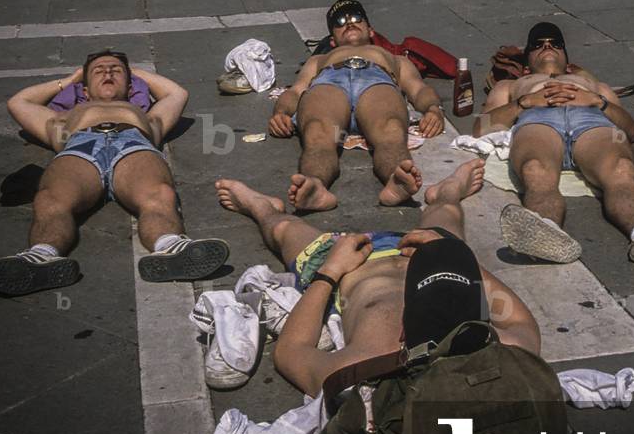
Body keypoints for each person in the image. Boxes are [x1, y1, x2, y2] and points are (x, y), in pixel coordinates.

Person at [214, 158, 540, 396]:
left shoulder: (367, 366)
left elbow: (290, 353)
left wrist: (329, 273)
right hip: (430, 253)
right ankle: (447, 190)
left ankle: (261, 207)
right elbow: (523, 328)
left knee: (284, 229)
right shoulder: (489, 350)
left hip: (347, 265)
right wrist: (457, 258)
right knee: (447, 213)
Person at [0, 51, 230, 296]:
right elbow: (18, 103)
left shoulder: (148, 117)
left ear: (131, 86)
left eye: (116, 70)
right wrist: (71, 80)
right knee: (50, 200)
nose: (108, 72)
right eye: (98, 71)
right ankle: (41, 256)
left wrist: (133, 72)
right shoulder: (62, 120)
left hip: (133, 142)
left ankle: (171, 246)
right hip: (80, 145)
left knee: (160, 195)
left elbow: (178, 93)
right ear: (85, 90)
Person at [478, 23, 634, 265]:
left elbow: (630, 130)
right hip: (537, 120)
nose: (547, 47)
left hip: (592, 120)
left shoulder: (596, 87)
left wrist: (598, 102)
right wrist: (524, 102)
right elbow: (482, 127)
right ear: (527, 61)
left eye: (555, 44)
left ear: (567, 60)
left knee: (622, 168)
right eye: (538, 45)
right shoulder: (510, 86)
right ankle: (545, 233)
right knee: (535, 169)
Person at [268, 0, 445, 211]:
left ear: (370, 30)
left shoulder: (395, 59)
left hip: (376, 78)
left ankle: (396, 180)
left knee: (391, 128)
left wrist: (433, 109)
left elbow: (418, 89)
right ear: (332, 40)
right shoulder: (319, 60)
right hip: (330, 79)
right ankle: (314, 185)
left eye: (356, 18)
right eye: (340, 21)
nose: (349, 23)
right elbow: (296, 91)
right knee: (318, 132)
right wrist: (281, 112)